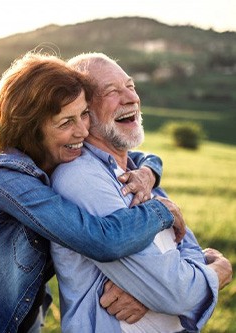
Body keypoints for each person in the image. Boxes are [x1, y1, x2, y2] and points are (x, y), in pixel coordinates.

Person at [0, 51, 186, 333]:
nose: (82, 131)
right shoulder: (5, 177)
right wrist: (161, 210)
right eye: (66, 123)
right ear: (31, 130)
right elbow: (100, 240)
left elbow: (139, 156)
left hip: (25, 320)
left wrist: (148, 173)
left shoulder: (56, 157)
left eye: (83, 114)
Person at [50, 52, 233, 332]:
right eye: (112, 91)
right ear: (83, 113)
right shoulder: (81, 178)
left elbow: (186, 250)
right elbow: (177, 293)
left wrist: (154, 294)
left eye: (131, 86)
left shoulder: (139, 173)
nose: (131, 98)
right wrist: (218, 271)